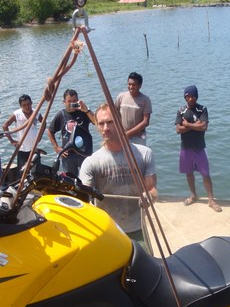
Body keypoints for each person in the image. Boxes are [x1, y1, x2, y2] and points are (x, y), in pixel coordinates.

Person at [79, 103, 157, 248]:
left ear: (120, 123)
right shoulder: (91, 163)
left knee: (148, 269)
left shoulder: (145, 154)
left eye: (110, 122)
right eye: (101, 124)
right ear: (97, 126)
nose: (106, 128)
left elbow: (152, 190)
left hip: (137, 229)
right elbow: (84, 202)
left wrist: (150, 197)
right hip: (107, 231)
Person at [175, 85, 221, 212]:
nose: (190, 99)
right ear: (185, 97)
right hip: (185, 147)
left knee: (205, 174)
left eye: (193, 96)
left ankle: (211, 199)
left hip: (200, 147)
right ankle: (194, 195)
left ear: (196, 96)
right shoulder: (181, 110)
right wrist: (195, 125)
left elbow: (204, 127)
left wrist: (188, 124)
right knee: (189, 173)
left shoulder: (202, 109)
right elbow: (178, 129)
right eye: (188, 96)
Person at [47, 89, 96, 177]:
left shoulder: (84, 112)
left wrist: (86, 110)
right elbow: (50, 131)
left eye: (74, 101)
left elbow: (96, 122)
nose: (71, 103)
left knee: (90, 177)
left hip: (84, 153)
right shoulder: (61, 115)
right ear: (64, 102)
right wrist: (56, 147)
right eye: (69, 101)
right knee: (70, 181)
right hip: (68, 155)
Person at [2, 94, 43, 172]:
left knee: (36, 171)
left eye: (28, 104)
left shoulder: (36, 113)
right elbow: (5, 126)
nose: (27, 107)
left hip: (34, 148)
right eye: (24, 105)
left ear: (31, 103)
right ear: (20, 106)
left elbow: (43, 123)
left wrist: (40, 136)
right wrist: (12, 141)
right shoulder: (17, 114)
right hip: (22, 149)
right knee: (22, 172)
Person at [114, 72, 152, 145]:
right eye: (129, 84)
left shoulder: (145, 100)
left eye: (134, 85)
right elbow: (114, 114)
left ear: (140, 86)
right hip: (122, 136)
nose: (131, 87)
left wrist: (128, 134)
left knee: (138, 156)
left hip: (138, 137)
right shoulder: (121, 97)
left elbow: (145, 122)